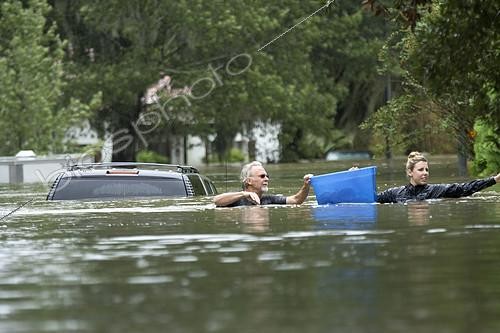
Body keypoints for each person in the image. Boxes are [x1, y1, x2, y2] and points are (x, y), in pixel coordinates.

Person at [377, 151, 500, 203]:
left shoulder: (436, 190)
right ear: (410, 172)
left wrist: (494, 179)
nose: (425, 172)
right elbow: (371, 199)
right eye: (420, 170)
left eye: (427, 169)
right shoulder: (395, 193)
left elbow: (465, 188)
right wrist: (357, 176)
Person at [214, 161, 313, 207]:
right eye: (262, 176)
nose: (266, 179)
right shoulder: (236, 198)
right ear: (249, 181)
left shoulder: (269, 200)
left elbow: (296, 200)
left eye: (267, 176)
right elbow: (216, 200)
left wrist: (306, 185)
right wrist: (244, 194)